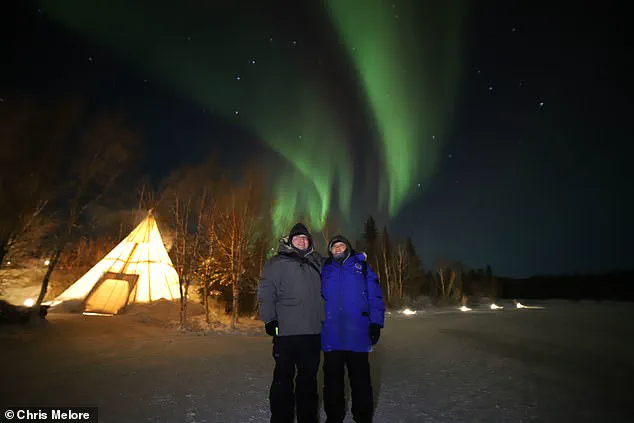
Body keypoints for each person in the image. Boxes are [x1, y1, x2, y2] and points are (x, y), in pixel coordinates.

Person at [258, 223, 325, 423]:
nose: (302, 241)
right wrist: (269, 319)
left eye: (305, 239)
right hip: (287, 333)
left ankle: (308, 418)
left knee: (308, 380)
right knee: (283, 379)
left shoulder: (318, 262)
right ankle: (281, 418)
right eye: (298, 238)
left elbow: (339, 263)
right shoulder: (276, 263)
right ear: (290, 241)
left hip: (312, 333)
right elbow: (266, 292)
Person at [321, 235, 385, 423]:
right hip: (331, 335)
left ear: (348, 248)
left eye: (341, 245)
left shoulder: (362, 267)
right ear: (330, 251)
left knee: (361, 382)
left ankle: (363, 417)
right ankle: (334, 417)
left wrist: (376, 323)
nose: (338, 249)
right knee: (332, 382)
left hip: (357, 333)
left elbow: (375, 296)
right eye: (335, 247)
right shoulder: (324, 269)